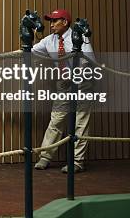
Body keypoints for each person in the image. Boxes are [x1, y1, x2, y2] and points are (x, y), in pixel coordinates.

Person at [32, 9, 94, 173]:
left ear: (65, 22)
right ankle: (45, 157)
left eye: (54, 21)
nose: (51, 25)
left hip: (82, 82)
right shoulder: (49, 40)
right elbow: (29, 53)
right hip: (64, 83)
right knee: (56, 119)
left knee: (80, 121)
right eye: (50, 21)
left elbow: (89, 61)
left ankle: (77, 162)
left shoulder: (80, 35)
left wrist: (73, 75)